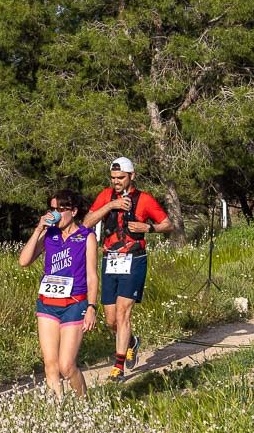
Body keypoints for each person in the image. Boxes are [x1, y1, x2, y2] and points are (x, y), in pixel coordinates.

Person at [82, 157, 172, 381]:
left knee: (123, 314)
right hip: (110, 259)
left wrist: (148, 227)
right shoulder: (106, 195)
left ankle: (118, 367)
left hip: (134, 259)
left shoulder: (145, 199)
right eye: (113, 178)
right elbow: (86, 222)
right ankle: (131, 341)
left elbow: (168, 224)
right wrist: (110, 205)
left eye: (120, 178)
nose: (116, 182)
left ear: (132, 176)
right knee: (111, 319)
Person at [18, 190, 99, 398]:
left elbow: (92, 275)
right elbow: (24, 261)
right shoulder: (49, 235)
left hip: (74, 304)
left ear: (73, 211)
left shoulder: (86, 236)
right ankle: (58, 412)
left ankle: (84, 403)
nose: (56, 214)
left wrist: (92, 307)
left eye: (61, 210)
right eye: (53, 209)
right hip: (47, 304)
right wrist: (38, 230)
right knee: (51, 365)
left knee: (66, 365)